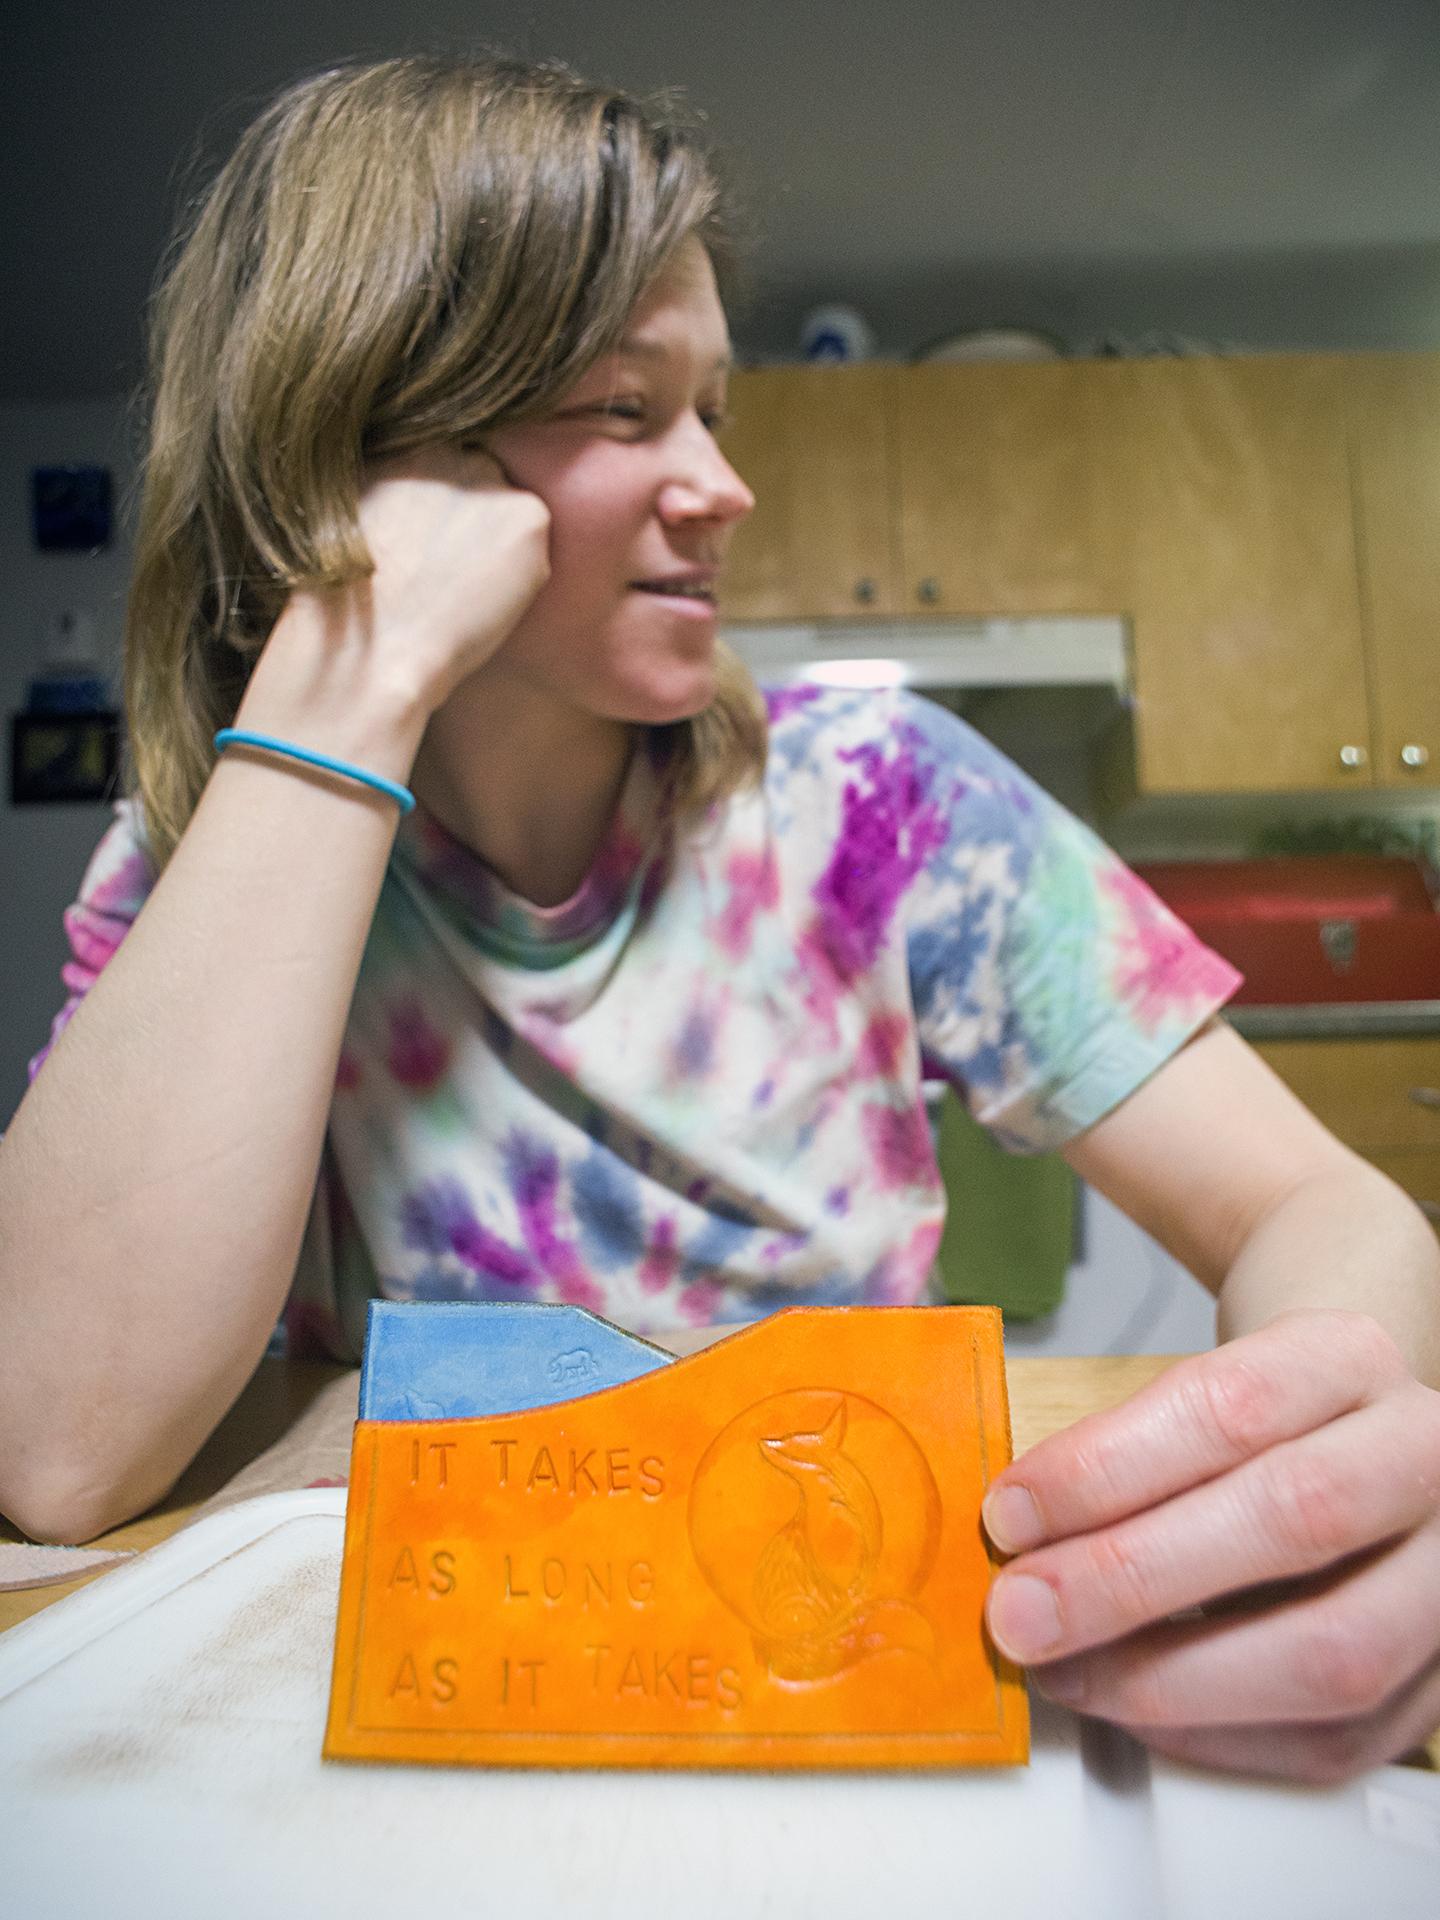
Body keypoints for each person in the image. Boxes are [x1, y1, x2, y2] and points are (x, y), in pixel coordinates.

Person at [1, 51, 1437, 1787]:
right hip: (437, 1711)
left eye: (715, 412)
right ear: (384, 455)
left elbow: (1317, 1205)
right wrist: (350, 676)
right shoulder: (207, 858)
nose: (724, 485)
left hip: (836, 1663)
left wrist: (1309, 1470)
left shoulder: (885, 798)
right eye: (628, 410)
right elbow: (60, 1448)